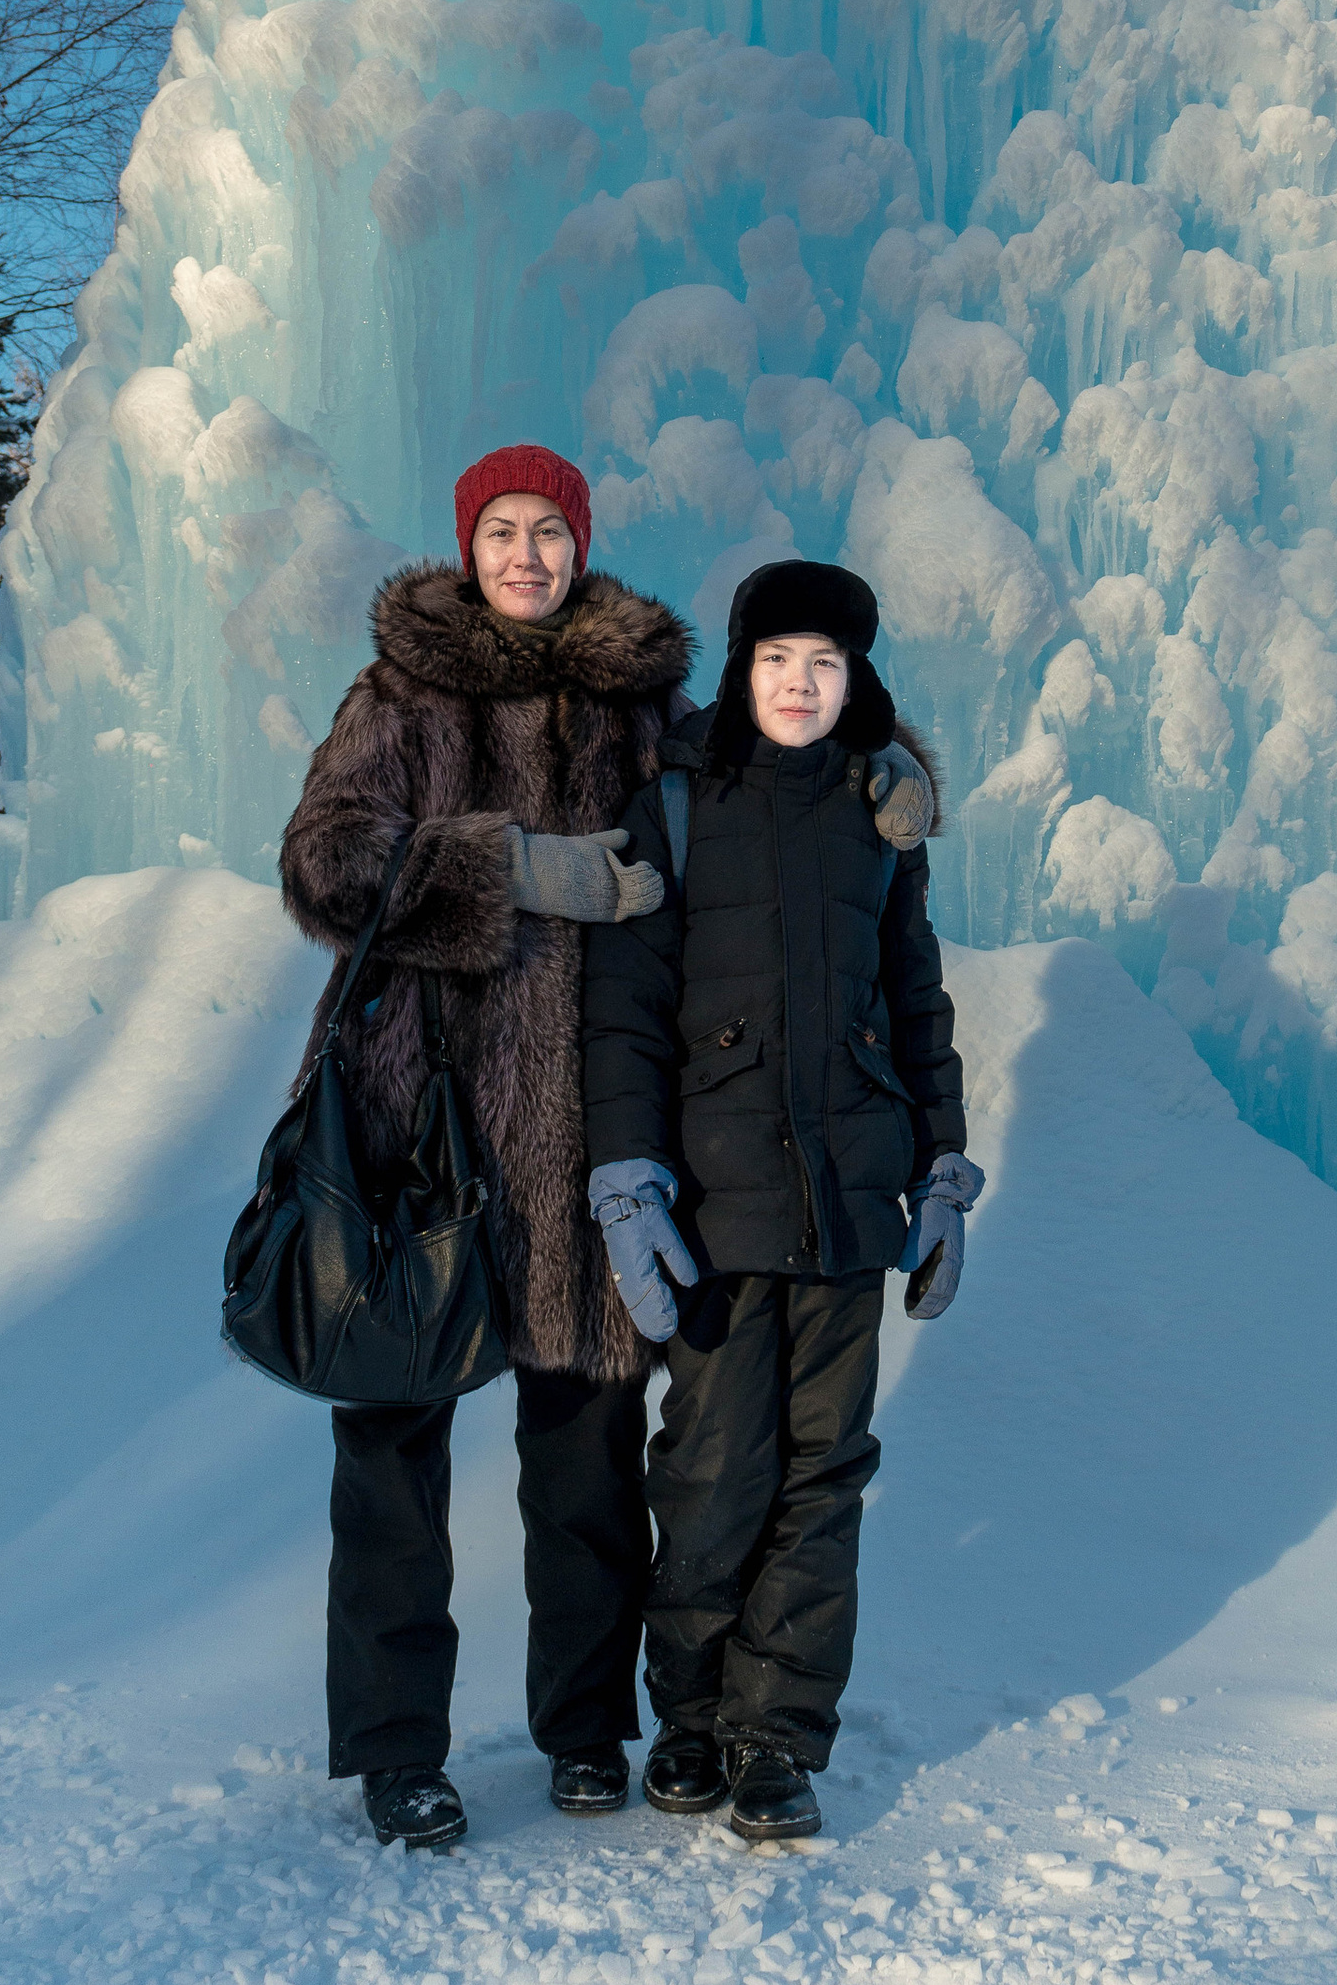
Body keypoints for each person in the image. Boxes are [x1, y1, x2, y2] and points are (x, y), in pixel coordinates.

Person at [277, 444, 689, 1852]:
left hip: (589, 1140)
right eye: (501, 531)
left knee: (588, 1469)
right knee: (391, 1466)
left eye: (547, 532)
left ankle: (583, 1731)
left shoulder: (638, 706)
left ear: (580, 545)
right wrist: (505, 864)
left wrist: (880, 770)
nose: (525, 555)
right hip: (419, 1140)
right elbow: (323, 862)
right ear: (468, 546)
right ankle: (400, 1752)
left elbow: (752, 811)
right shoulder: (400, 692)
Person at [579, 560, 981, 1848]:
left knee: (825, 1478)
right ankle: (691, 1717)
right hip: (714, 1207)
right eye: (776, 661)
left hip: (851, 1205)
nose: (800, 685)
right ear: (740, 670)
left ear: (857, 678)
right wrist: (630, 1181)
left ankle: (774, 1740)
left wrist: (943, 1170)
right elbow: (625, 1014)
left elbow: (913, 1004)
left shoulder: (880, 817)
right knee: (709, 1472)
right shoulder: (678, 805)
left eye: (826, 664)